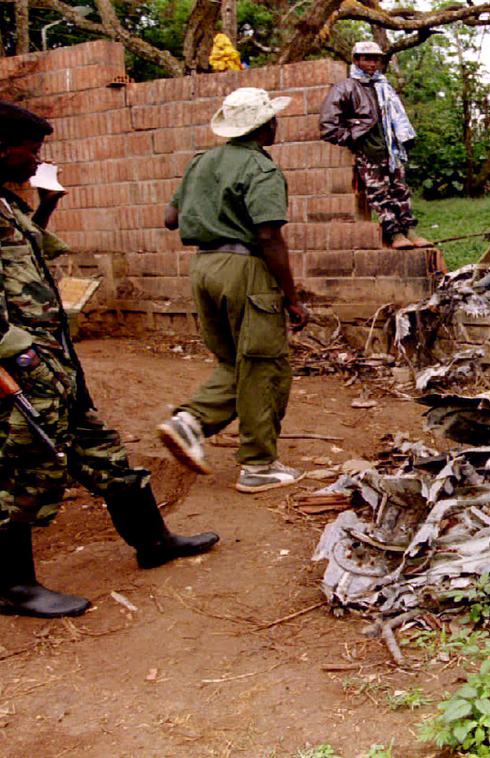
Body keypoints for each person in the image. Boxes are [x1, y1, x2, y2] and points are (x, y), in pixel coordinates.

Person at [0, 101, 219, 619]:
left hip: (52, 362)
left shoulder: (7, 204)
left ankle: (154, 541)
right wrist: (19, 355)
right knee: (23, 470)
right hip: (24, 364)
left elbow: (31, 255)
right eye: (32, 153)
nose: (37, 162)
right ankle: (12, 586)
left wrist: (45, 207)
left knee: (100, 448)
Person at [157, 88, 308, 494]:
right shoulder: (261, 169)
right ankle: (257, 464)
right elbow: (269, 234)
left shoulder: (200, 163)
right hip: (245, 269)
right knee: (263, 364)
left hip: (204, 267)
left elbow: (171, 218)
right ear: (265, 125)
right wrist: (290, 296)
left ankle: (189, 423)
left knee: (231, 361)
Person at [319, 41, 429, 250]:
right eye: (367, 58)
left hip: (391, 150)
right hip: (368, 151)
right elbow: (328, 126)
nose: (372, 63)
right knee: (379, 194)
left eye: (375, 59)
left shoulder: (383, 87)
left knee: (400, 191)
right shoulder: (346, 88)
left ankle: (410, 231)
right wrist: (353, 138)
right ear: (356, 60)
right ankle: (394, 233)